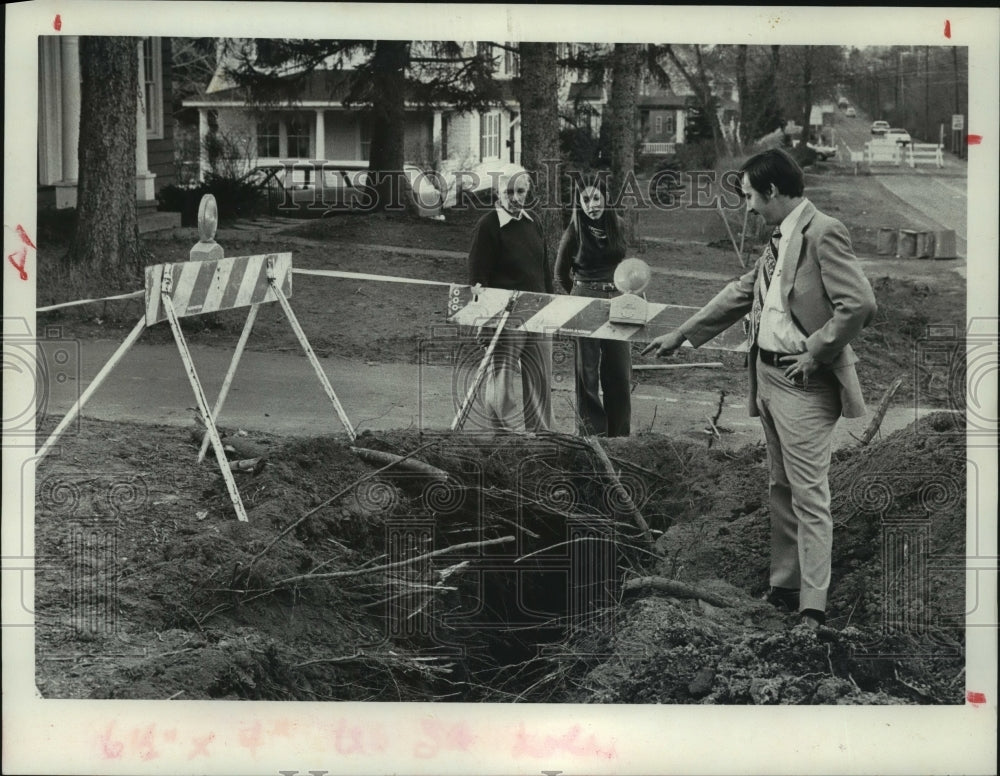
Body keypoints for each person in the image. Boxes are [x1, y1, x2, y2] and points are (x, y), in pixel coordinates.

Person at [642, 148, 877, 630]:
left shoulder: (823, 232)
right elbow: (742, 291)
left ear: (772, 191)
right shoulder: (780, 236)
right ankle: (785, 587)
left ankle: (813, 606)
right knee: (781, 487)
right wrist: (683, 332)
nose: (747, 206)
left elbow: (860, 304)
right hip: (768, 377)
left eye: (750, 195)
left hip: (805, 382)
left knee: (810, 495)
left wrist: (816, 350)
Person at [466, 167, 553, 432]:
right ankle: (504, 438)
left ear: (528, 193)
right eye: (508, 192)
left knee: (540, 377)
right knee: (502, 381)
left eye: (520, 191)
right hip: (505, 316)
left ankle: (542, 436)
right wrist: (484, 321)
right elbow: (478, 277)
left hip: (537, 312)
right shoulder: (488, 226)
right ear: (498, 193)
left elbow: (544, 268)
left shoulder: (533, 222)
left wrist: (550, 305)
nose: (514, 197)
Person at [554, 175, 631, 437]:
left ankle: (619, 434)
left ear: (606, 199)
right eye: (585, 200)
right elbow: (560, 274)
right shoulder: (574, 231)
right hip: (584, 301)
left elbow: (622, 264)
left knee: (619, 371)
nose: (591, 205)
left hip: (618, 302)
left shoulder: (618, 225)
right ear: (579, 203)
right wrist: (580, 296)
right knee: (586, 373)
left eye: (596, 198)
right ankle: (592, 434)